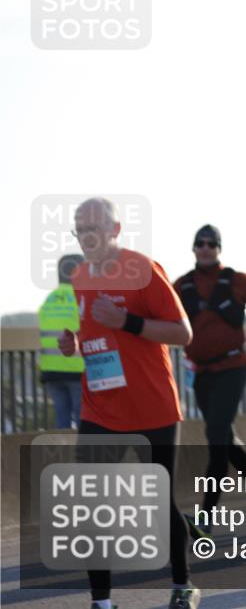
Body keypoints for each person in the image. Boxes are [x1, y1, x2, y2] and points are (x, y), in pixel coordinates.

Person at [57, 198, 199, 609]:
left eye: (94, 227)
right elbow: (93, 334)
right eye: (79, 228)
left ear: (115, 230)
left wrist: (129, 323)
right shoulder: (80, 276)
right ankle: (101, 602)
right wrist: (74, 343)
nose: (86, 235)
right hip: (99, 407)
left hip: (152, 406)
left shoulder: (142, 270)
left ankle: (182, 584)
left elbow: (182, 333)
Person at [173, 224, 246, 538]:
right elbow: (162, 315)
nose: (205, 248)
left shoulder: (236, 280)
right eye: (200, 244)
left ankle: (206, 518)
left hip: (233, 365)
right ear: (193, 248)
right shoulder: (182, 285)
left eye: (211, 244)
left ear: (218, 248)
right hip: (201, 372)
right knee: (223, 435)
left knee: (217, 439)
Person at [38, 254, 85, 429]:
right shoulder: (80, 298)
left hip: (51, 370)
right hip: (77, 369)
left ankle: (63, 454)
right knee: (84, 422)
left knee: (62, 421)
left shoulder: (49, 300)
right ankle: (84, 456)